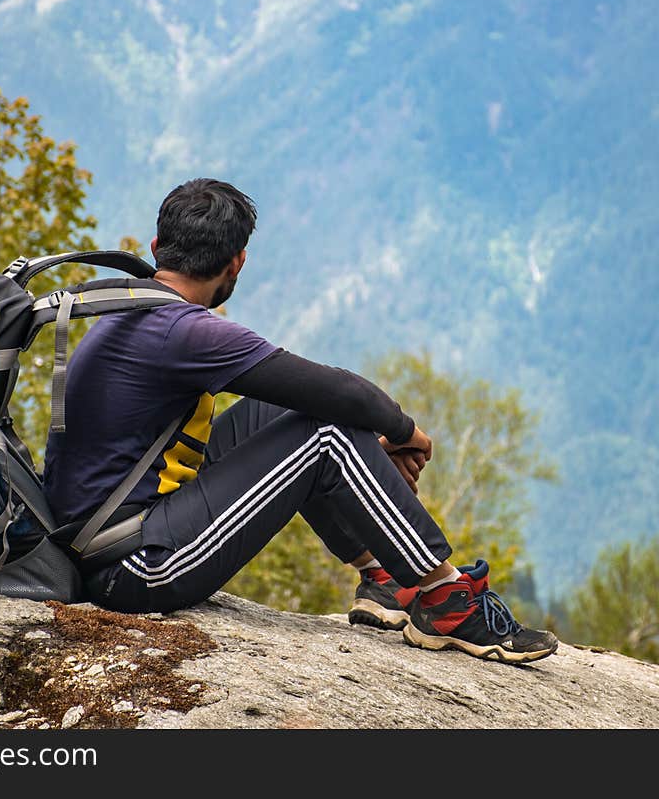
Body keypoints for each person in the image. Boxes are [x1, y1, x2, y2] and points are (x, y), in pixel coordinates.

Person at [44, 178, 558, 665]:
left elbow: (314, 394)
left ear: (157, 246)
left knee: (285, 411)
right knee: (328, 431)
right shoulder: (184, 331)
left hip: (108, 535)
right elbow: (339, 391)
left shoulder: (128, 311)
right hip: (131, 569)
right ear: (237, 262)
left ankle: (385, 578)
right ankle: (446, 601)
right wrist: (406, 434)